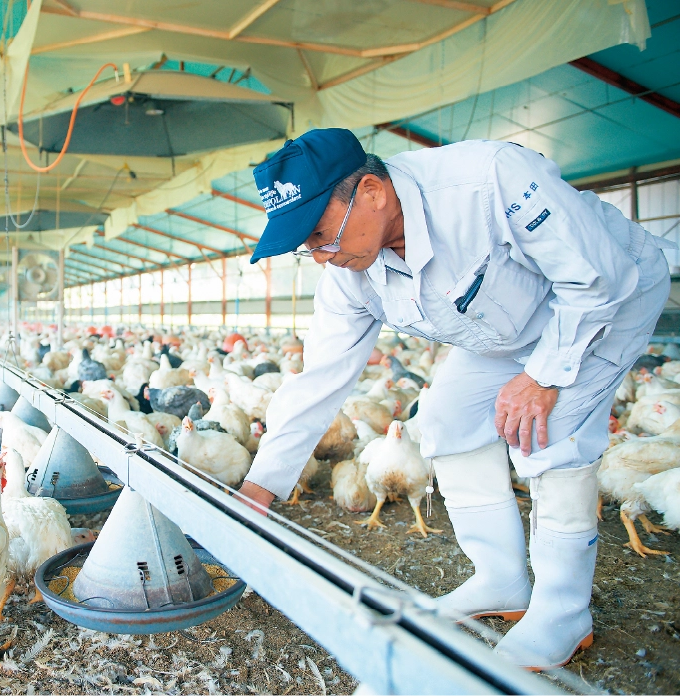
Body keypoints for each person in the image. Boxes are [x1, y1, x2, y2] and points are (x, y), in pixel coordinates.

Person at [236, 128, 672, 670]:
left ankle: (562, 615)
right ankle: (501, 581)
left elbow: (596, 278)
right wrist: (259, 487)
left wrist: (543, 376)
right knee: (443, 422)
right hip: (506, 326)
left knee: (546, 432)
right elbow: (321, 376)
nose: (321, 256)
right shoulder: (350, 271)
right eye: (309, 248)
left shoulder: (489, 180)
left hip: (606, 297)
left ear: (371, 192)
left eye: (322, 235)